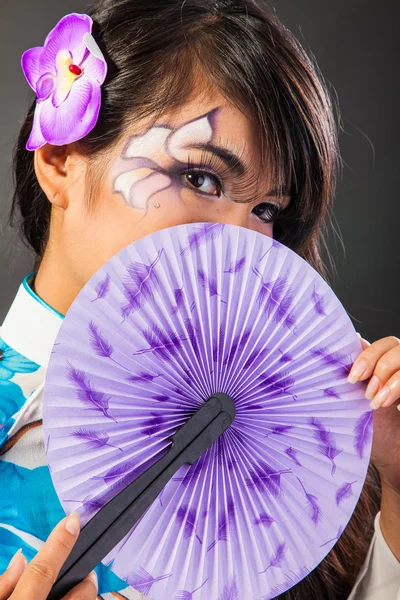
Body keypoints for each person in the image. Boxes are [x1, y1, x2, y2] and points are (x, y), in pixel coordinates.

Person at [0, 0, 399, 598]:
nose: (242, 245)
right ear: (59, 161)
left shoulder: (303, 448)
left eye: (267, 210)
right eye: (200, 178)